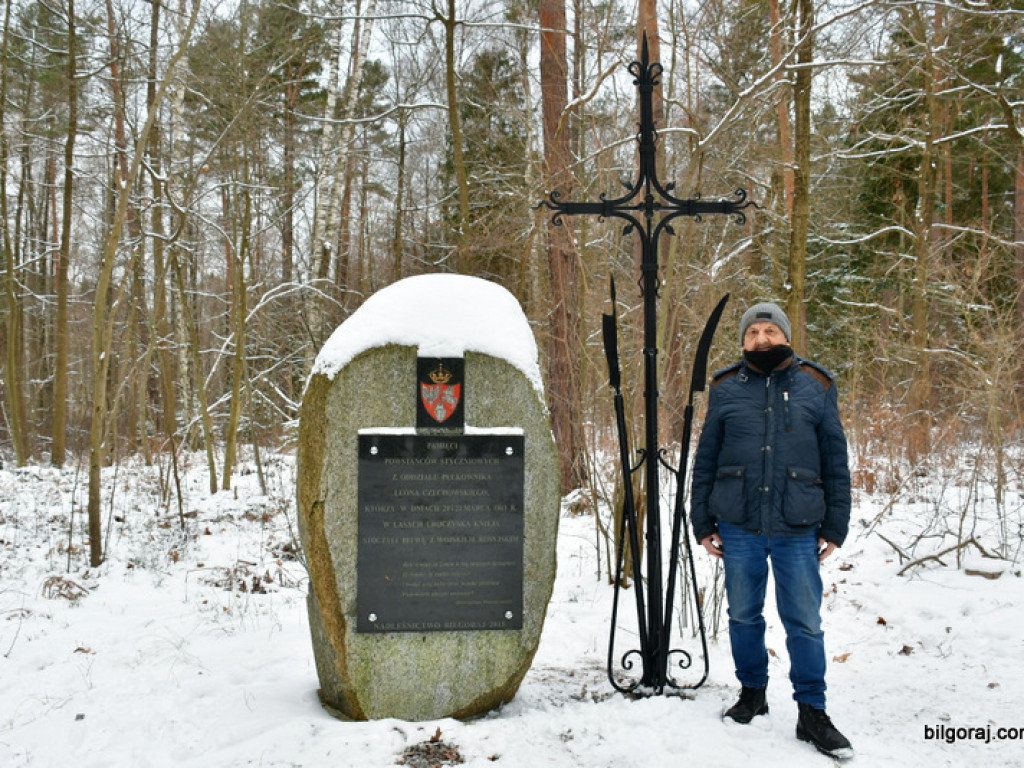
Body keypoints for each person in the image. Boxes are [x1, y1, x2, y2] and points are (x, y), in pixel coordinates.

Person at [690, 301, 853, 760]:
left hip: (797, 524)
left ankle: (812, 712)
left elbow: (835, 460)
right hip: (738, 522)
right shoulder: (724, 388)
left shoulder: (816, 385)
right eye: (752, 333)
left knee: (804, 621)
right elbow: (707, 458)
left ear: (785, 334)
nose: (761, 339)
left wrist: (835, 525)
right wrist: (701, 520)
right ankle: (752, 693)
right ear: (743, 341)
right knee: (743, 614)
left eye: (769, 330)